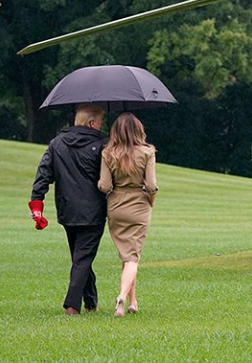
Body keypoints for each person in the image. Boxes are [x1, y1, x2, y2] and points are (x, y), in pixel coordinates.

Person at [30, 104, 107, 316]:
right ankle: (72, 306)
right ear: (92, 123)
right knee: (82, 257)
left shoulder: (56, 143)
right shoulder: (102, 145)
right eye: (100, 121)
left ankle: (91, 301)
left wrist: (37, 200)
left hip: (67, 209)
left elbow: (43, 173)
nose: (102, 125)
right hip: (93, 211)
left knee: (80, 256)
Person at [97, 112, 158, 318]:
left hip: (116, 206)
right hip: (139, 205)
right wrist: (151, 201)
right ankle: (122, 297)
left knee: (128, 255)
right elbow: (151, 186)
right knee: (132, 256)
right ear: (138, 130)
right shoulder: (147, 152)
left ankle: (133, 302)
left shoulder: (108, 153)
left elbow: (105, 186)